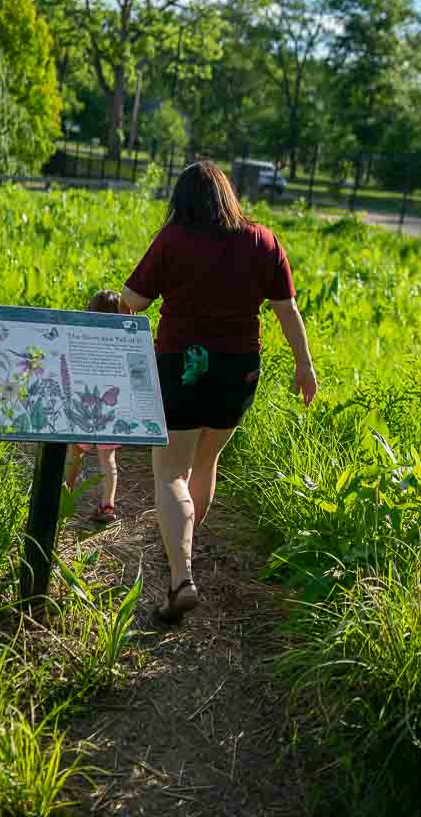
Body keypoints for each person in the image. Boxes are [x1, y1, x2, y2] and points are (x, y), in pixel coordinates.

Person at [120, 161, 317, 621]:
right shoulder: (262, 240)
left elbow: (134, 301)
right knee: (206, 461)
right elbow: (287, 310)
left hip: (180, 366)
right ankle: (183, 546)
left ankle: (180, 574)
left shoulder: (174, 238)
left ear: (181, 200)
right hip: (239, 371)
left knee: (170, 470)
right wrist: (304, 365)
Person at [64, 289, 122, 524]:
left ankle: (65, 494)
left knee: (75, 450)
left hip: (87, 408)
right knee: (108, 458)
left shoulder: (84, 338)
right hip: (110, 409)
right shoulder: (121, 340)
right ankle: (107, 505)